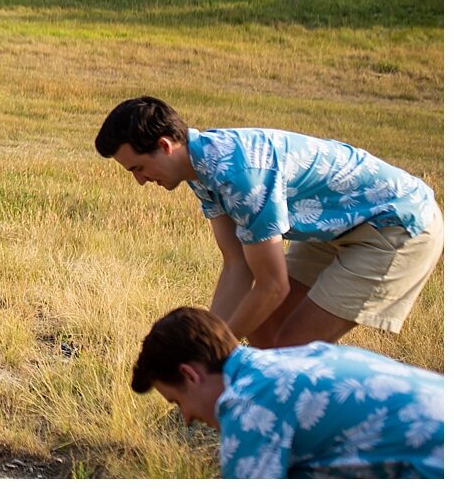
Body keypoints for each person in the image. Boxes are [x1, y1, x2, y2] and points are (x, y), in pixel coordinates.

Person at [95, 96, 442, 348]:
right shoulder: (200, 170)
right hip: (338, 224)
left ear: (165, 145)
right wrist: (205, 342)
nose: (139, 181)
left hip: (397, 223)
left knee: (288, 348)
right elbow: (237, 265)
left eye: (138, 168)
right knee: (263, 333)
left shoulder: (241, 177)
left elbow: (273, 285)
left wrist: (215, 355)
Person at [131, 306, 443, 478]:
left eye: (177, 401)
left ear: (191, 374)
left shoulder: (248, 404)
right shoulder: (293, 359)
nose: (185, 418)